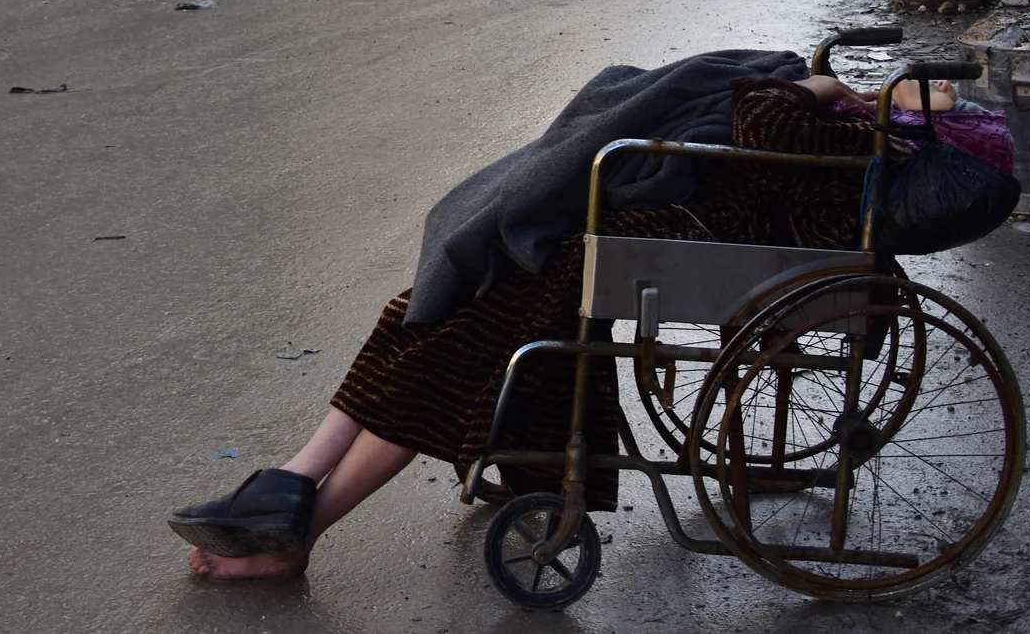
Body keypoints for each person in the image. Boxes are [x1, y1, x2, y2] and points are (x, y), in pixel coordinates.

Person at [169, 61, 907, 580]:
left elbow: (762, 119)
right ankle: (293, 480)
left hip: (664, 236)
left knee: (453, 345)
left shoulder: (868, 139)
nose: (920, 85)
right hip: (638, 225)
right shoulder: (854, 120)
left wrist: (822, 88)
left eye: (927, 89)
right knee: (421, 313)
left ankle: (302, 519)